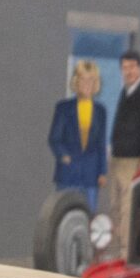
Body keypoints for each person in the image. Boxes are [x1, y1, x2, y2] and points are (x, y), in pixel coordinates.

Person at [107, 50, 140, 245]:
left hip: (133, 159)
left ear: (139, 68)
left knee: (128, 206)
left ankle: (126, 249)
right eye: (124, 68)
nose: (128, 72)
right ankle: (116, 246)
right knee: (115, 205)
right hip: (117, 158)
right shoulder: (124, 92)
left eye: (131, 67)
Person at [46, 58, 107, 210]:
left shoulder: (101, 111)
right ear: (76, 81)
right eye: (83, 79)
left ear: (96, 83)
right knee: (63, 213)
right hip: (68, 173)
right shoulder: (63, 108)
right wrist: (63, 156)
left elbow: (101, 143)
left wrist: (102, 172)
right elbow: (54, 138)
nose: (87, 84)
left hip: (91, 174)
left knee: (88, 214)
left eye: (91, 80)